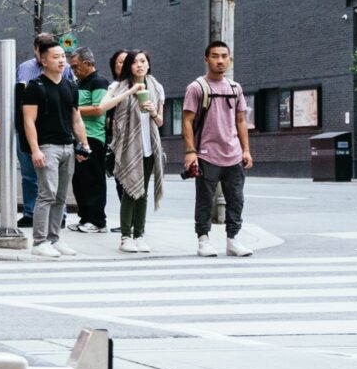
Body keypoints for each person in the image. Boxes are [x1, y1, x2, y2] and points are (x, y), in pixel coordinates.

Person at [180, 39, 254, 257]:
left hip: (233, 154)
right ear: (206, 59)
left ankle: (233, 240)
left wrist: (246, 150)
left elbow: (241, 121)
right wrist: (190, 151)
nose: (220, 61)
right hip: (206, 154)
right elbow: (187, 121)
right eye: (215, 56)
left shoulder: (235, 88)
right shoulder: (196, 88)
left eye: (224, 56)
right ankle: (203, 240)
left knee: (236, 199)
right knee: (204, 200)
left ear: (230, 59)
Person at [17, 41, 88, 259]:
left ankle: (54, 238)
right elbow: (29, 121)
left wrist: (84, 144)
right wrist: (35, 150)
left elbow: (76, 119)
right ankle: (39, 241)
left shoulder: (70, 86)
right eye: (55, 56)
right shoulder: (35, 87)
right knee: (46, 195)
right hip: (47, 147)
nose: (61, 60)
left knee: (60, 197)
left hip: (68, 146)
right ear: (43, 60)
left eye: (63, 56)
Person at [101, 48, 166, 253]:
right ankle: (125, 237)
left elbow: (161, 121)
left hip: (149, 145)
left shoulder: (156, 87)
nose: (140, 65)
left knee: (143, 192)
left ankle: (140, 235)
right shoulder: (118, 86)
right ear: (129, 66)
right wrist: (129, 92)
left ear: (148, 64)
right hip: (128, 146)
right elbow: (102, 106)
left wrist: (154, 112)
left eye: (143, 61)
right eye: (135, 61)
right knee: (130, 191)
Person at [13, 33, 53, 226]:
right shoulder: (24, 68)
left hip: (50, 127)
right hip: (26, 126)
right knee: (29, 173)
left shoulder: (65, 68)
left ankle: (56, 216)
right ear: (35, 49)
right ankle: (30, 213)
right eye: (41, 49)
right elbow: (17, 95)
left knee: (51, 175)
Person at [71, 47, 111, 233]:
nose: (74, 70)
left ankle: (97, 220)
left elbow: (98, 109)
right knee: (79, 180)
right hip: (79, 136)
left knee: (93, 178)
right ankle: (85, 217)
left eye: (76, 66)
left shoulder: (99, 81)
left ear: (88, 64)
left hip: (93, 136)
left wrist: (73, 109)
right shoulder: (80, 83)